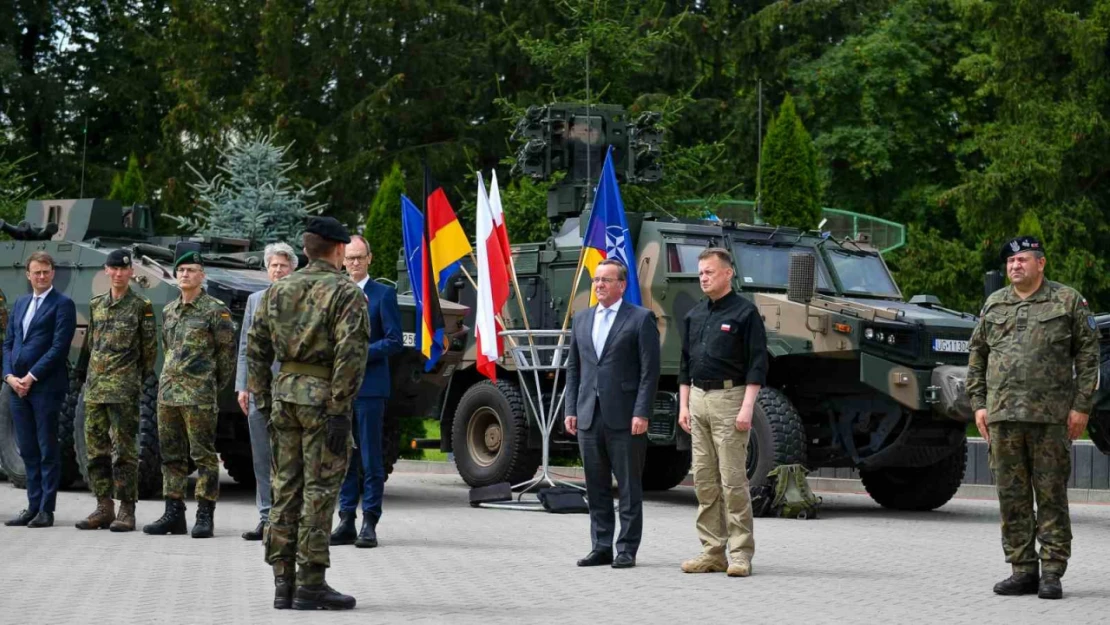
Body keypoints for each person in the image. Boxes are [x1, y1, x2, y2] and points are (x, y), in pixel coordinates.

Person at [248, 216, 370, 610]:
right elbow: (351, 354)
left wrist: (264, 400)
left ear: (305, 250)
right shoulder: (346, 292)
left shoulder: (277, 290)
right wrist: (340, 409)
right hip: (323, 403)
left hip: (284, 398)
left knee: (284, 490)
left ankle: (282, 583)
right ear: (337, 250)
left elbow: (256, 347)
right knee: (318, 492)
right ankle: (311, 584)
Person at [967, 236, 1099, 600]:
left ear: (1041, 263)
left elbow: (1088, 358)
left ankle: (1052, 571)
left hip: (1052, 418)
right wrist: (978, 404)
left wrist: (1081, 406)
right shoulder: (994, 304)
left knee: (1051, 494)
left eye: (1023, 260)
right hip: (1003, 415)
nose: (1015, 267)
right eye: (1010, 262)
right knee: (1012, 497)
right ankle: (1022, 569)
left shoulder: (1067, 300)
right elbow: (976, 356)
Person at [676, 248, 767, 578]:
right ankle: (712, 551)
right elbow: (685, 363)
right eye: (700, 272)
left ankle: (740, 553)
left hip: (731, 397)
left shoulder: (745, 313)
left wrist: (747, 408)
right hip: (698, 398)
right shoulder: (695, 314)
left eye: (709, 272)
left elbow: (758, 363)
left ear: (728, 274)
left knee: (732, 480)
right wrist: (683, 405)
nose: (703, 277)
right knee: (704, 479)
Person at [564, 258, 660, 569]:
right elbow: (575, 368)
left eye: (606, 280)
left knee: (629, 486)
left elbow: (650, 372)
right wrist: (571, 409)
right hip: (589, 415)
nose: (599, 285)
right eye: (595, 280)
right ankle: (601, 545)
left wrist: (642, 411)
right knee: (596, 484)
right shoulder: (582, 319)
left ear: (622, 285)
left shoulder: (641, 319)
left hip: (625, 416)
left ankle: (626, 549)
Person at [142, 250, 236, 538]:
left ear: (202, 275)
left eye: (191, 270)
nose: (185, 274)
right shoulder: (169, 310)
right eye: (181, 270)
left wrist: (207, 385)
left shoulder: (215, 310)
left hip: (198, 395)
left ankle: (204, 514)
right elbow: (168, 348)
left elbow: (226, 357)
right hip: (168, 394)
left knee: (203, 455)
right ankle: (173, 513)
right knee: (171, 455)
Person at [74, 249, 157, 532]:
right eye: (114, 269)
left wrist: (133, 381)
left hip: (123, 391)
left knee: (124, 452)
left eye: (124, 269)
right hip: (96, 390)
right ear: (106, 271)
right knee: (96, 451)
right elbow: (91, 347)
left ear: (131, 272)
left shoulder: (141, 306)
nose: (119, 273)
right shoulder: (96, 304)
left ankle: (126, 509)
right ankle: (103, 506)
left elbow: (149, 353)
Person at [332, 235, 402, 549]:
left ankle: (370, 521)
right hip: (339, 391)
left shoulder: (383, 294)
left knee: (371, 458)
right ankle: (346, 518)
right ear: (342, 261)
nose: (355, 263)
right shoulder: (337, 293)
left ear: (370, 259)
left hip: (370, 388)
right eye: (350, 258)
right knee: (344, 456)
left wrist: (360, 352)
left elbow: (394, 340)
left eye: (360, 257)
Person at [3, 251, 77, 528]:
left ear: (52, 273)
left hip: (45, 387)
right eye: (37, 272)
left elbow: (59, 348)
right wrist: (10, 376)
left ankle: (46, 510)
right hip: (17, 388)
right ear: (28, 274)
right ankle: (31, 506)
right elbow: (9, 343)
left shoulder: (63, 304)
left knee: (47, 449)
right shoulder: (21, 303)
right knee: (28, 450)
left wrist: (31, 377)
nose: (41, 276)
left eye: (46, 271)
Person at [236, 242, 298, 541]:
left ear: (292, 269)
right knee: (261, 458)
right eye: (273, 265)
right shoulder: (254, 300)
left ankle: (287, 519)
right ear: (266, 268)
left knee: (288, 458)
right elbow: (245, 348)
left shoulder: (302, 300)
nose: (277, 269)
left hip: (291, 392)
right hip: (258, 392)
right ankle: (265, 518)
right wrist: (242, 386)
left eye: (283, 265)